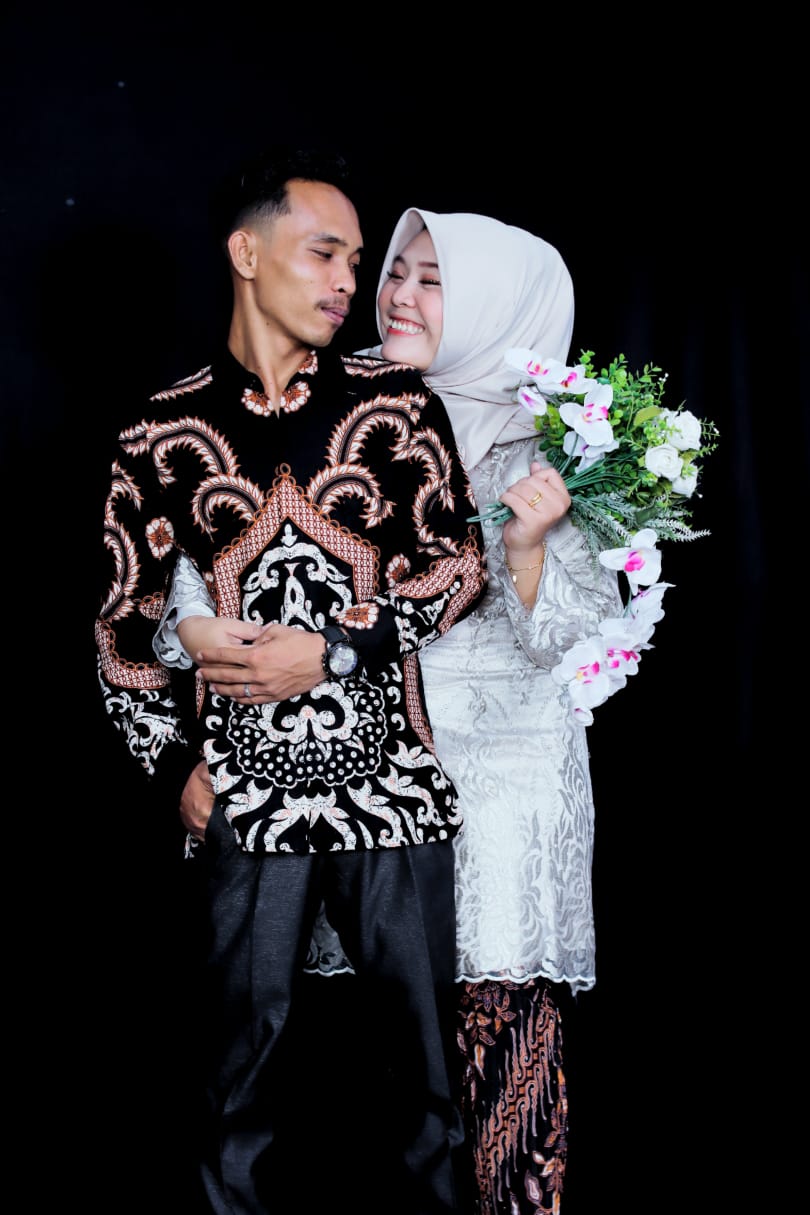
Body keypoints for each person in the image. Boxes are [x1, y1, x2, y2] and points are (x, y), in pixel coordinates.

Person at [162, 207, 624, 1214]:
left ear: (498, 305)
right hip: (352, 764)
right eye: (395, 275)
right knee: (362, 1053)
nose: (397, 297)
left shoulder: (552, 449)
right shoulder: (340, 403)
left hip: (498, 785)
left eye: (433, 281)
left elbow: (581, 651)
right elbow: (226, 558)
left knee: (494, 1031)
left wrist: (527, 550)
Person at [94, 149, 488, 1215]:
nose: (349, 281)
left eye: (357, 262)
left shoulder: (394, 404)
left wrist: (335, 652)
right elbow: (123, 625)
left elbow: (461, 567)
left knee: (425, 1078)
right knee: (238, 1077)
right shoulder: (159, 433)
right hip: (242, 790)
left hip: (391, 784)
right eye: (325, 254)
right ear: (246, 253)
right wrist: (174, 768)